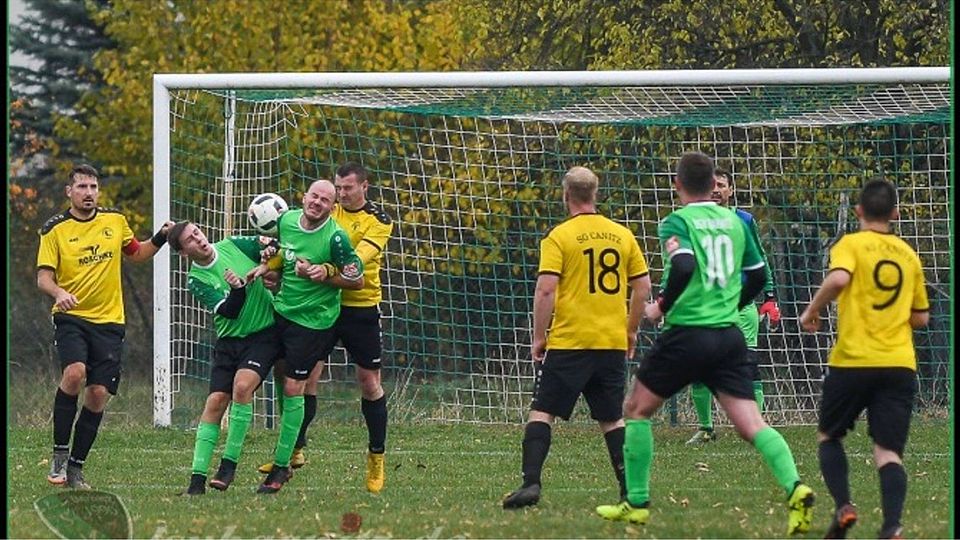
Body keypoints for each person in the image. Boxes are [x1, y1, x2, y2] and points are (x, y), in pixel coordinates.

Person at [595, 152, 814, 535]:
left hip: (687, 334)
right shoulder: (735, 221)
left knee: (636, 409)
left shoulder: (676, 222)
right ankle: (795, 487)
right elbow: (760, 275)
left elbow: (682, 266)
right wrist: (734, 302)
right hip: (728, 336)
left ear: (677, 184)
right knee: (751, 424)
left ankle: (638, 503)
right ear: (715, 185)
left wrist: (659, 306)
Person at [502, 166, 652, 509]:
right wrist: (629, 331)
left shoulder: (560, 236)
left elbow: (546, 290)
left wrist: (538, 337)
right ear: (595, 193)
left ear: (565, 195)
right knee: (612, 418)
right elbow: (642, 288)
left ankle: (531, 483)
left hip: (570, 341)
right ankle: (629, 490)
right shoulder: (622, 235)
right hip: (610, 342)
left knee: (542, 411)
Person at [799, 179, 929, 540]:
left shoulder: (850, 244)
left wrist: (812, 309)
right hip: (899, 364)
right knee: (888, 452)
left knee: (829, 435)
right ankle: (891, 527)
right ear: (896, 214)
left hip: (854, 361)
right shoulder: (908, 255)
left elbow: (840, 278)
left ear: (858, 212)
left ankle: (844, 506)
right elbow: (921, 317)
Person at [258, 162, 394, 494]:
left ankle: (376, 456)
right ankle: (295, 450)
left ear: (364, 186)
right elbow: (296, 242)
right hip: (321, 307)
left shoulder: (378, 221)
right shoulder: (326, 211)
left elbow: (356, 261)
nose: (343, 193)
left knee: (368, 382)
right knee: (303, 378)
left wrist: (323, 268)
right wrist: (273, 260)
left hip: (359, 308)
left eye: (348, 188)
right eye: (339, 188)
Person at [37, 164, 174, 489]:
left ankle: (75, 468)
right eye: (82, 187)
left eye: (93, 187)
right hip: (71, 317)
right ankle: (59, 454)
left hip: (110, 322)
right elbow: (43, 277)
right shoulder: (54, 229)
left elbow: (138, 253)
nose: (88, 193)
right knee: (74, 373)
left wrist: (162, 237)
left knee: (98, 394)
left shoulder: (114, 221)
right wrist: (60, 292)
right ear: (69, 192)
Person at [247, 178, 364, 494]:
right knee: (268, 377)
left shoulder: (336, 239)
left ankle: (282, 466)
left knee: (294, 386)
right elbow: (283, 257)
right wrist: (266, 269)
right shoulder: (285, 220)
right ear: (304, 197)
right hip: (281, 313)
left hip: (313, 324)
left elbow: (357, 279)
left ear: (332, 207)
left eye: (326, 200)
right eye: (314, 196)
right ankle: (291, 446)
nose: (318, 203)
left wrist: (325, 273)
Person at [167, 222, 281, 495]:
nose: (199, 239)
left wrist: (269, 259)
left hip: (263, 335)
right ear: (184, 253)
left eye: (197, 233)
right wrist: (238, 289)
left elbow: (274, 245)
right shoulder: (197, 280)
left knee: (242, 387)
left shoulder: (234, 245)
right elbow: (229, 311)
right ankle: (196, 482)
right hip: (229, 342)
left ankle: (228, 466)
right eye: (190, 241)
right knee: (215, 402)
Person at [687, 166, 781, 444]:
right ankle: (706, 427)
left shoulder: (744, 220)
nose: (716, 189)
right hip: (705, 306)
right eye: (711, 184)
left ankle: (757, 429)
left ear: (731, 190)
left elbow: (759, 259)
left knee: (748, 365)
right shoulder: (692, 220)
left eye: (722, 184)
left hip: (741, 305)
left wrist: (770, 297)